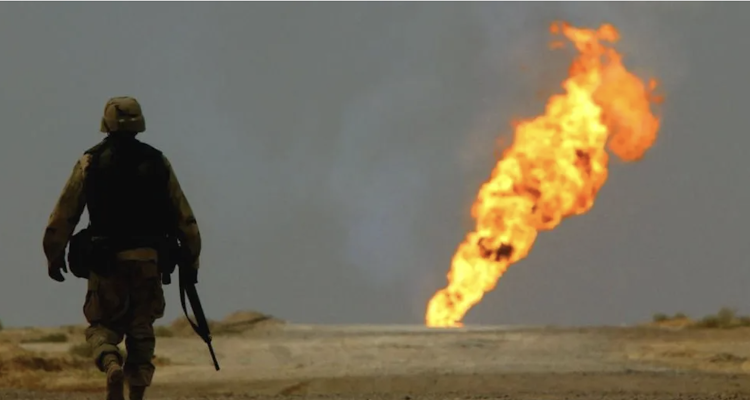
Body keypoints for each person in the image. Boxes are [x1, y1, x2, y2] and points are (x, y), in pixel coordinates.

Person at [42, 96, 202, 400]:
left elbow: (62, 216)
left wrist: (53, 255)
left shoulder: (89, 162)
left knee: (101, 326)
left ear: (107, 123)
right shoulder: (158, 162)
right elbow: (187, 221)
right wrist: (191, 260)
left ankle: (111, 362)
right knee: (142, 329)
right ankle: (137, 393)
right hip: (148, 263)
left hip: (106, 265)